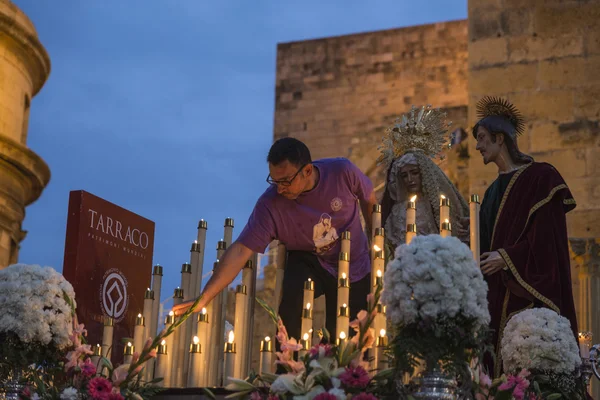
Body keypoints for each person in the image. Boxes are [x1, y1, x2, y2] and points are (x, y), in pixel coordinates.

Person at [175, 137, 377, 347]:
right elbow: (241, 250)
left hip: (353, 263)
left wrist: (375, 243)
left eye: (286, 181)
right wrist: (205, 297)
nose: (280, 189)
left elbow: (369, 198)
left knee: (348, 337)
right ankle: (288, 371)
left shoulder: (342, 171)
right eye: (274, 181)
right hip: (309, 260)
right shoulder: (270, 204)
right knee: (291, 309)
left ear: (307, 171)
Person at [473, 97, 578, 377]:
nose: (477, 146)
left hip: (527, 298)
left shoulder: (541, 177)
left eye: (482, 138)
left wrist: (506, 258)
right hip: (496, 297)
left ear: (499, 139)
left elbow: (546, 242)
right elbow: (483, 243)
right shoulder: (491, 192)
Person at [379, 105, 470, 251]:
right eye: (404, 175)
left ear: (423, 173)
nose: (410, 179)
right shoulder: (396, 212)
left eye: (414, 173)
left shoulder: (438, 206)